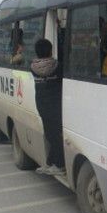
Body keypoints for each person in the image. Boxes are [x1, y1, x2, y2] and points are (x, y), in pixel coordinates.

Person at [31, 38, 65, 175]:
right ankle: (60, 164)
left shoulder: (33, 67)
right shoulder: (58, 66)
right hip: (56, 106)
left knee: (50, 135)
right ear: (50, 50)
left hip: (41, 105)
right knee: (56, 136)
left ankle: (51, 162)